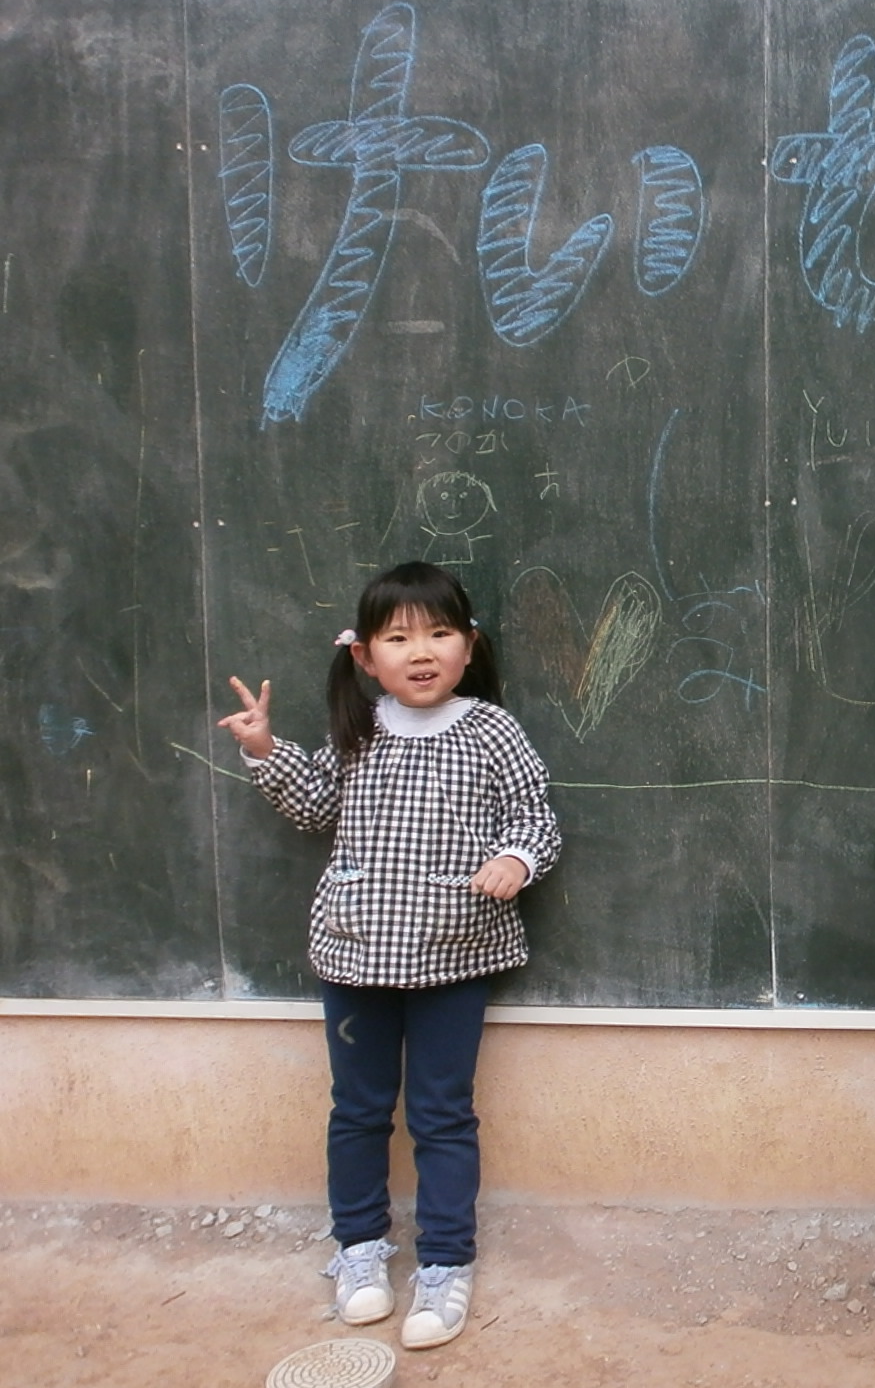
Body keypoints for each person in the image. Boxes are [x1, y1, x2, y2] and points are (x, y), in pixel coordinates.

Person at [216, 561, 560, 1351]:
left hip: (453, 952)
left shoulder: (491, 731)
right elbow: (316, 808)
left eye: (439, 633)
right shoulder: (361, 728)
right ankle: (360, 1249)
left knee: (442, 1112)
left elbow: (534, 815)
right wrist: (265, 748)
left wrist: (515, 858)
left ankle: (445, 1261)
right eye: (399, 638)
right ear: (366, 657)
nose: (422, 651)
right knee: (359, 1109)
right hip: (356, 951)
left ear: (469, 646)